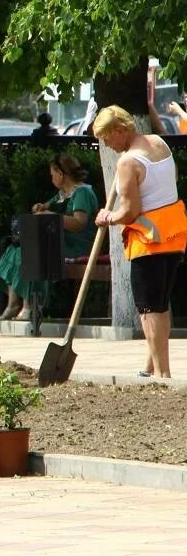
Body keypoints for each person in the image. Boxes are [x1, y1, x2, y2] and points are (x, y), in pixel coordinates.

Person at [92, 106, 187, 379]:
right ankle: (151, 366)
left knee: (148, 308)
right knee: (160, 303)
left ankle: (162, 373)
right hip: (175, 233)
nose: (108, 145)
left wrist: (108, 217)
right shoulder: (160, 143)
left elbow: (130, 212)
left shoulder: (128, 163)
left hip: (149, 240)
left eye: (108, 138)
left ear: (121, 131)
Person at [0, 154, 100, 321]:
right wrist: (42, 207)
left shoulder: (82, 193)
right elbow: (48, 205)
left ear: (61, 174)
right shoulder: (63, 193)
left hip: (76, 246)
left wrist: (52, 216)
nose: (52, 178)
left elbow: (79, 224)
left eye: (53, 174)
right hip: (58, 243)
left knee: (33, 254)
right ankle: (13, 304)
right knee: (15, 251)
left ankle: (30, 306)